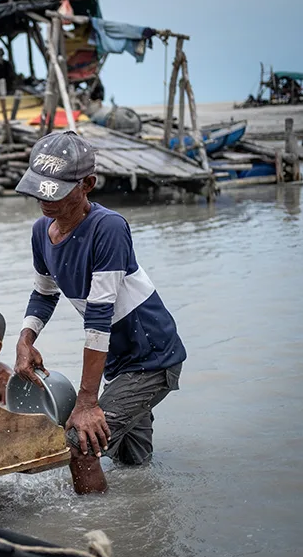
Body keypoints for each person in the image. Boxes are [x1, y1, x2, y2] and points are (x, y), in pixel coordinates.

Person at [13, 131, 185, 495]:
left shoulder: (108, 227)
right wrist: (25, 339)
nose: (45, 200)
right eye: (40, 189)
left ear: (87, 184)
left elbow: (98, 317)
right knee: (132, 464)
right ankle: (144, 514)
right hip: (118, 362)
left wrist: (87, 400)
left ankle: (97, 530)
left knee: (81, 443)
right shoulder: (41, 231)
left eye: (56, 191)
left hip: (151, 357)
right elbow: (44, 294)